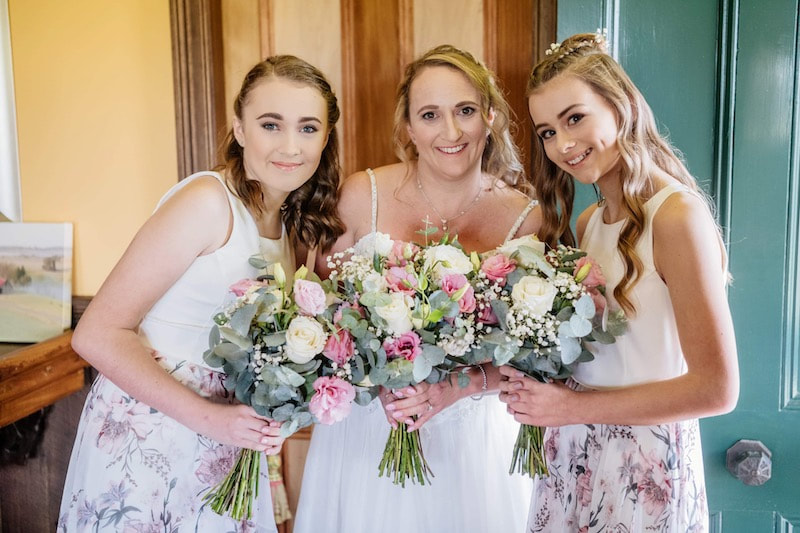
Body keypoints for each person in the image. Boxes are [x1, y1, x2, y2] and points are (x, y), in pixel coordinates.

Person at [58, 55, 344, 533]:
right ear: (239, 128)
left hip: (225, 446)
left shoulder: (288, 227)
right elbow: (97, 334)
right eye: (271, 124)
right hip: (152, 438)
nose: (291, 146)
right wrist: (212, 420)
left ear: (325, 137)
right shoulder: (208, 202)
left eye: (308, 127)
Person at [499, 32, 739, 531]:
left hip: (642, 466)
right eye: (546, 131)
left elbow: (718, 390)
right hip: (573, 454)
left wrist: (570, 406)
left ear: (622, 105)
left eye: (575, 118)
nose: (563, 144)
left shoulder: (676, 218)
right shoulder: (588, 223)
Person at [294, 45, 540, 533]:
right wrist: (372, 377)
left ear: (489, 117)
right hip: (369, 434)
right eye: (430, 115)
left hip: (474, 444)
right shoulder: (362, 194)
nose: (450, 132)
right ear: (408, 127)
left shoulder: (525, 216)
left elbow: (533, 352)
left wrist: (460, 385)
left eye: (465, 111)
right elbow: (317, 317)